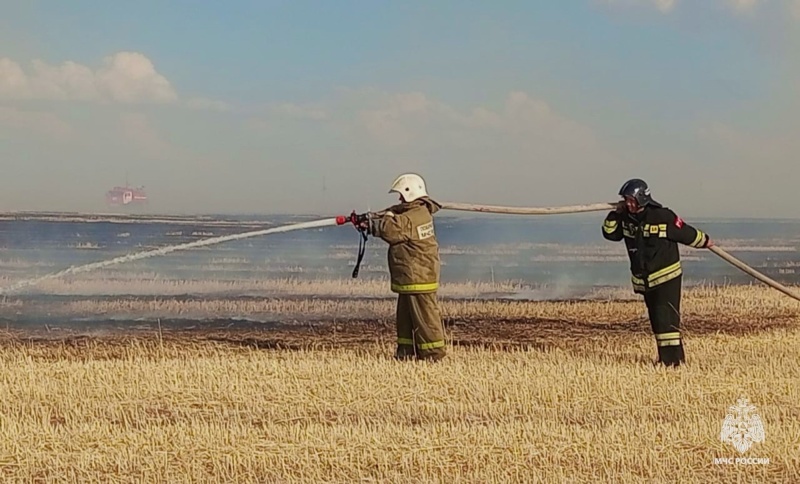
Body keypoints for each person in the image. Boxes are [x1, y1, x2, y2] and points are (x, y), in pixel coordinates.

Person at [602, 178, 714, 367]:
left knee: (667, 320)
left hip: (666, 277)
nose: (629, 203)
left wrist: (705, 241)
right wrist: (615, 214)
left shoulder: (663, 216)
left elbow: (685, 233)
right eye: (626, 200)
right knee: (656, 320)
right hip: (646, 280)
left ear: (642, 198)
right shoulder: (626, 219)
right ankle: (666, 360)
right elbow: (610, 234)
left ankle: (673, 363)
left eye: (631, 200)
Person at [353, 173, 446, 361]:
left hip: (418, 275)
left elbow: (391, 229)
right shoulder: (416, 212)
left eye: (401, 195)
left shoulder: (413, 217)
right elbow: (393, 214)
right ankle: (406, 352)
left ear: (409, 193)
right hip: (412, 276)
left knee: (425, 319)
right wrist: (371, 218)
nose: (399, 198)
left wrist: (372, 224)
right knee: (406, 319)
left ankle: (433, 355)